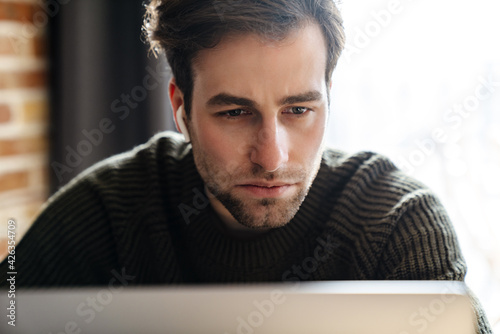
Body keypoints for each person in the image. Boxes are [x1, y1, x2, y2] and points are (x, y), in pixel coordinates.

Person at [0, 0, 492, 332]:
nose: (272, 157)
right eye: (234, 113)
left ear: (328, 100)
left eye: (299, 110)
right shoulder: (109, 208)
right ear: (181, 106)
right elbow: (13, 308)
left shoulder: (397, 224)